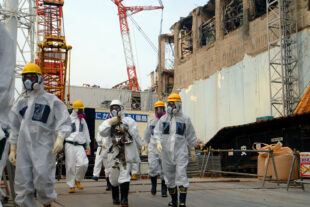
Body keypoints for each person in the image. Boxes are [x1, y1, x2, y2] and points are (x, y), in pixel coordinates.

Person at [8, 63, 72, 207]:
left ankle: (47, 202)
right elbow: (14, 127)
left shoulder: (51, 100)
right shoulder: (20, 104)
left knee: (43, 179)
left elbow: (64, 120)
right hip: (24, 148)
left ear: (39, 79)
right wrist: (12, 148)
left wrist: (60, 138)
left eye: (32, 76)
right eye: (25, 77)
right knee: (22, 182)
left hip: (43, 147)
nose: (28, 80)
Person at [154, 93, 197, 207]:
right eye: (169, 104)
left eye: (173, 104)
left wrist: (192, 149)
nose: (170, 106)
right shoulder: (163, 119)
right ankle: (174, 201)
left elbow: (191, 135)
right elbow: (157, 132)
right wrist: (158, 142)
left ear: (178, 105)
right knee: (169, 178)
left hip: (180, 152)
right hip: (166, 154)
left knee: (182, 176)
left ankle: (182, 202)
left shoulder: (185, 119)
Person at [98, 100, 143, 207]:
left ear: (121, 109)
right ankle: (115, 197)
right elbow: (101, 132)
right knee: (113, 177)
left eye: (117, 108)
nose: (114, 110)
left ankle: (124, 199)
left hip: (126, 152)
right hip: (113, 152)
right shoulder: (107, 122)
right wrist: (110, 123)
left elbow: (135, 134)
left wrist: (140, 145)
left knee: (125, 174)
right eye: (112, 108)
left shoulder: (129, 121)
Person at [65, 100, 91, 193]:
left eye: (82, 110)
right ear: (75, 110)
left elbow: (86, 132)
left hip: (80, 145)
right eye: (79, 110)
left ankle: (77, 179)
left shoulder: (82, 120)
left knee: (84, 163)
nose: (81, 112)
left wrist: (88, 144)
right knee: (70, 165)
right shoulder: (68, 119)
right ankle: (71, 185)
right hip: (69, 144)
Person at [144, 101, 167, 197]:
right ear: (155, 110)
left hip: (165, 148)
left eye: (161, 109)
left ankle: (164, 189)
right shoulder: (151, 122)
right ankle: (153, 185)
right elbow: (147, 134)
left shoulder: (168, 121)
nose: (159, 111)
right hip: (153, 148)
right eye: (157, 109)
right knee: (152, 167)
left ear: (164, 109)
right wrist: (146, 145)